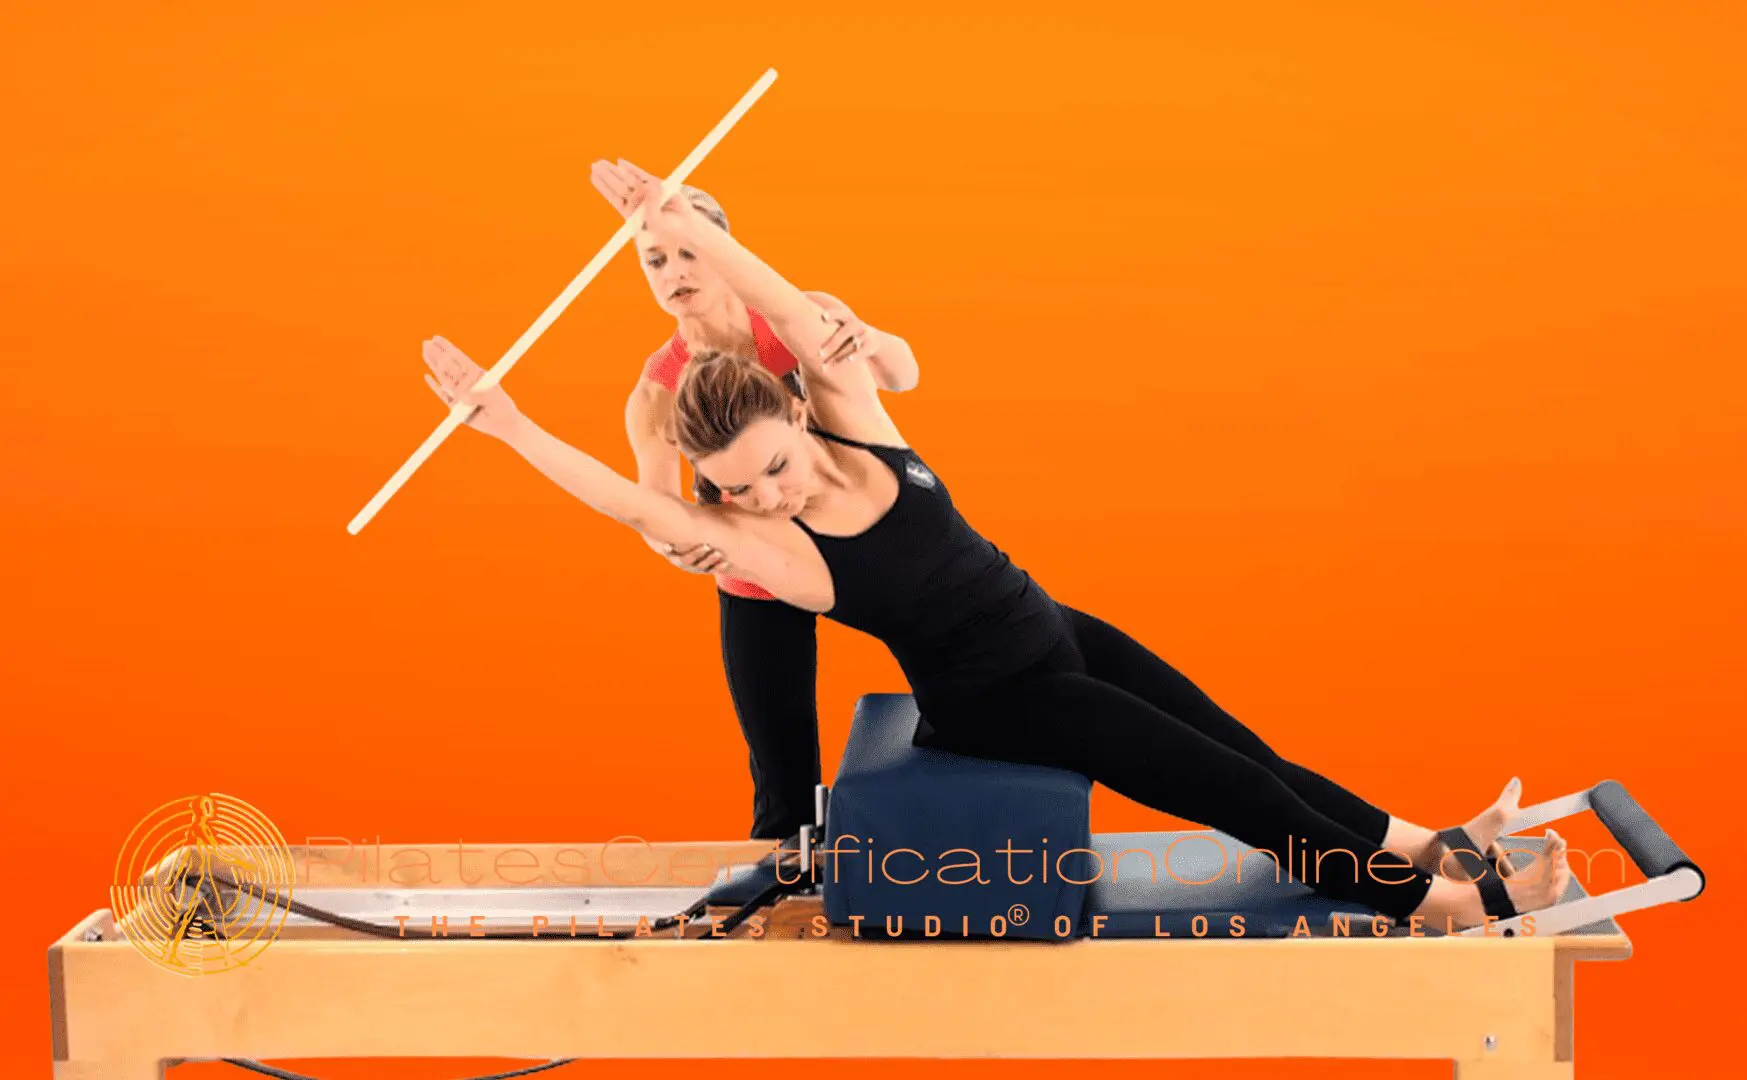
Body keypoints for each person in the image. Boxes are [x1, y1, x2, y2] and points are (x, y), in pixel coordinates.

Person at [418, 182, 1569, 930]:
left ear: (794, 412)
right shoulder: (786, 550)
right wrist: (509, 425)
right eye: (745, 493)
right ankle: (1432, 905)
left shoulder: (851, 414)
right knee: (1222, 789)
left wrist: (697, 225)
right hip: (1001, 699)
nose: (777, 492)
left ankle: (1438, 844)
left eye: (776, 463)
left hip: (1051, 624)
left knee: (1245, 749)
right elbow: (633, 505)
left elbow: (812, 325)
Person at [592, 158, 921, 843]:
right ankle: (786, 895)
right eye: (654, 260)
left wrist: (873, 338)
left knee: (971, 675)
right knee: (781, 773)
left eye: (688, 251)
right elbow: (656, 507)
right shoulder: (655, 392)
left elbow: (903, 374)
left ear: (722, 252)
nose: (674, 271)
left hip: (870, 542)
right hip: (762, 575)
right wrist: (677, 547)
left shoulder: (794, 314)